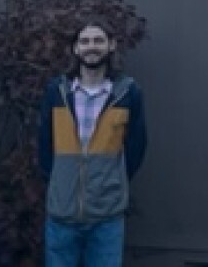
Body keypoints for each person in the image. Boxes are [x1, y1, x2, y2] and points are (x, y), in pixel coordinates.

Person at [38, 18, 147, 267]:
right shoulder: (57, 92)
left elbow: (136, 149)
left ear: (111, 46)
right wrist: (61, 182)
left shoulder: (127, 93)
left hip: (106, 218)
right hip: (61, 215)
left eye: (98, 40)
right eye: (85, 41)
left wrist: (113, 180)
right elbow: (44, 147)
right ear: (76, 49)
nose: (91, 46)